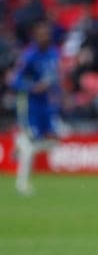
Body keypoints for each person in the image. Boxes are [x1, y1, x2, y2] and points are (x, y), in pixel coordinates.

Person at [12, 19, 62, 196]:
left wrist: (57, 94)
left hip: (46, 104)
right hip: (30, 105)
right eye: (41, 35)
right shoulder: (29, 56)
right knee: (30, 144)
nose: (45, 37)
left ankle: (19, 143)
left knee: (55, 140)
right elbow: (15, 81)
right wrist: (32, 87)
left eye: (47, 34)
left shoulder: (53, 53)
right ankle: (22, 184)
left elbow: (54, 77)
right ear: (35, 36)